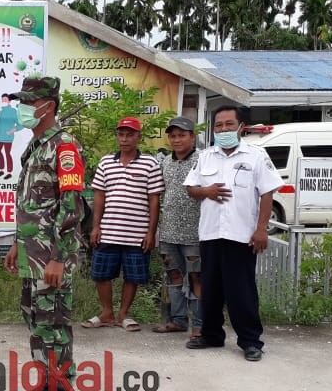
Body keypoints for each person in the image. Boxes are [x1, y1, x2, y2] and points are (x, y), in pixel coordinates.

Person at [3, 76, 86, 391]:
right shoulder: (37, 146)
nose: (22, 108)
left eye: (28, 102)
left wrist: (58, 257)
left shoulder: (64, 147)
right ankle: (46, 387)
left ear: (47, 106)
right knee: (37, 324)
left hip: (51, 257)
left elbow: (71, 205)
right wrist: (16, 244)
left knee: (53, 328)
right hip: (32, 254)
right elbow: (31, 205)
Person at [184, 105, 282, 362]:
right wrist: (206, 192)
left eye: (229, 124)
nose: (223, 129)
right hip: (211, 234)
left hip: (241, 235)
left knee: (241, 291)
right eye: (219, 125)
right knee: (211, 289)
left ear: (241, 127)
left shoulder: (256, 156)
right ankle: (211, 335)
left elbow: (267, 193)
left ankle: (250, 341)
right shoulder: (206, 156)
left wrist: (261, 229)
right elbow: (191, 188)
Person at [82, 116, 163, 333]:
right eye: (121, 134)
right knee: (101, 273)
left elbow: (154, 200)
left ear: (139, 137)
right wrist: (96, 227)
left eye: (129, 135)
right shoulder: (106, 162)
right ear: (117, 136)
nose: (125, 139)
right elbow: (99, 196)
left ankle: (123, 314)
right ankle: (107, 313)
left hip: (137, 233)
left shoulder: (150, 163)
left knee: (133, 276)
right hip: (108, 231)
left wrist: (151, 232)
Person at [155, 116, 204, 337]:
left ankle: (199, 324)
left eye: (182, 135)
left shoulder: (203, 159)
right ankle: (178, 320)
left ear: (192, 137)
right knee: (173, 276)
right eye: (173, 136)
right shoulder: (165, 162)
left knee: (196, 278)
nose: (176, 140)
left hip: (195, 233)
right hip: (168, 233)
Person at [0, 93, 21, 179]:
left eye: (5, 99)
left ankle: (9, 172)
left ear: (9, 101)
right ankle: (1, 170)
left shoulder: (13, 112)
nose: (3, 101)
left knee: (7, 153)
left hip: (7, 137)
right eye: (2, 99)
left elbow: (20, 124)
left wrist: (11, 131)